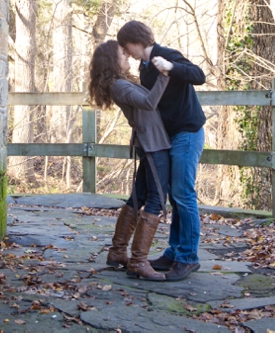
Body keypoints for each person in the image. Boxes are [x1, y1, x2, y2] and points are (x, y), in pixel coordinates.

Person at [117, 20, 206, 282]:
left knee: (183, 193)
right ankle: (175, 251)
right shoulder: (145, 69)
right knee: (176, 195)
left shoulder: (165, 55)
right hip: (169, 137)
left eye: (127, 47)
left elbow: (199, 75)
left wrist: (172, 67)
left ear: (135, 42)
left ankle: (188, 257)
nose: (127, 53)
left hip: (187, 132)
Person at [88, 39, 174, 281]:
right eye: (122, 55)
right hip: (153, 146)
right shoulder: (119, 86)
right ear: (111, 61)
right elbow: (148, 103)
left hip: (150, 143)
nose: (126, 57)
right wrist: (165, 75)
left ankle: (117, 252)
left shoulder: (122, 83)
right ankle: (137, 261)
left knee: (139, 196)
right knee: (156, 198)